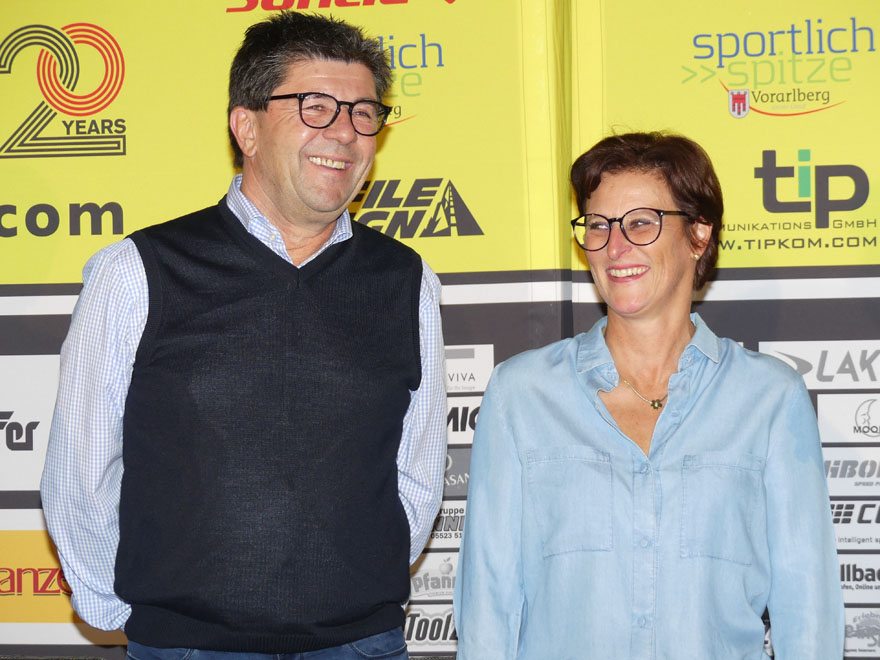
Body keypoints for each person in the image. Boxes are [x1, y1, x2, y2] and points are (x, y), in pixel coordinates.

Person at [41, 12, 447, 660]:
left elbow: (418, 471)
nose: (346, 132)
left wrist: (356, 592)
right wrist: (133, 614)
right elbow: (82, 466)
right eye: (316, 108)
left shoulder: (406, 279)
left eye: (364, 113)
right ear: (247, 127)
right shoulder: (139, 271)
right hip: (187, 647)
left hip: (361, 644)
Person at [454, 132, 843, 658]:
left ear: (699, 234)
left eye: (641, 223)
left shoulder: (770, 400)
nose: (615, 247)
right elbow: (489, 602)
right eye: (598, 225)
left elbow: (808, 608)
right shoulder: (521, 395)